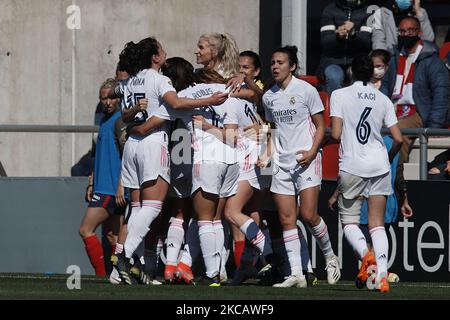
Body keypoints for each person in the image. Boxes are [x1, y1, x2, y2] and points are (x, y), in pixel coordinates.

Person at [113, 37, 227, 285]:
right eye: (162, 49)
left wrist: (132, 127)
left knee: (138, 208)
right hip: (154, 144)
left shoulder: (129, 81)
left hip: (132, 144)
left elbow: (124, 114)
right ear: (155, 57)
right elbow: (175, 103)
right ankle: (124, 257)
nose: (165, 52)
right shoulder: (159, 79)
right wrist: (209, 100)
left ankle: (117, 271)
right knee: (154, 208)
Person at [261, 45, 340, 288]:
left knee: (307, 214)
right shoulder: (268, 96)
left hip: (306, 160)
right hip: (281, 164)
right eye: (273, 62)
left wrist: (313, 151)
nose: (275, 66)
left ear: (292, 66)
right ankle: (296, 274)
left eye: (280, 62)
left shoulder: (306, 90)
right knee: (287, 219)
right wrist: (267, 155)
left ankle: (329, 257)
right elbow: (271, 129)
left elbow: (320, 125)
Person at [330, 54, 403, 293]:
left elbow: (337, 134)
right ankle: (381, 273)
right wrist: (388, 157)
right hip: (379, 165)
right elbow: (399, 138)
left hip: (352, 165)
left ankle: (365, 255)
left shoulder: (339, 95)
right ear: (372, 72)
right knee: (377, 224)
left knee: (349, 222)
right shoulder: (383, 100)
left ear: (351, 71)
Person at [381, 16, 449, 163]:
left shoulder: (432, 61)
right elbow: (385, 86)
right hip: (393, 108)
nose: (406, 34)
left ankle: (398, 178)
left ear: (419, 32)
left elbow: (441, 94)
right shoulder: (395, 58)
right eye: (402, 31)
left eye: (410, 30)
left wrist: (434, 127)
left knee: (398, 131)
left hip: (419, 111)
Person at [78, 78, 127, 277]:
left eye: (110, 98)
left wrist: (121, 184)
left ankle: (101, 275)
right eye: (103, 98)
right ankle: (119, 275)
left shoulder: (120, 120)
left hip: (111, 188)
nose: (106, 102)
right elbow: (99, 154)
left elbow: (127, 155)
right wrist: (92, 181)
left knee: (85, 229)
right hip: (102, 186)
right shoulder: (105, 120)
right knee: (112, 236)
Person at [319, 0, 373, 94]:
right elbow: (325, 41)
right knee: (334, 77)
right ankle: (336, 107)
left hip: (357, 62)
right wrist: (338, 36)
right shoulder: (330, 10)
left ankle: (355, 107)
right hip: (333, 61)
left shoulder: (368, 11)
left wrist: (354, 33)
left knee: (359, 81)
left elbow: (367, 42)